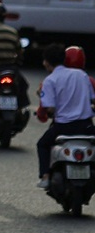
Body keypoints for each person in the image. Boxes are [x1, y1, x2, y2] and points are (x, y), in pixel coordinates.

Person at [35, 44, 95, 188]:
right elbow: (92, 99)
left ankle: (45, 175)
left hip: (63, 128)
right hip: (86, 126)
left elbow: (50, 108)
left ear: (47, 62)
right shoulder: (82, 75)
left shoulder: (49, 80)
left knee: (42, 144)